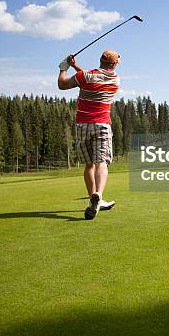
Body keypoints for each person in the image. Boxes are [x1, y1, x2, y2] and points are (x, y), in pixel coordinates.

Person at [58, 50, 120, 220]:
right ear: (114, 65)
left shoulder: (85, 76)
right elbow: (93, 78)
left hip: (82, 125)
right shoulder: (115, 79)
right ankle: (98, 195)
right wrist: (74, 66)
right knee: (102, 163)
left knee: (89, 165)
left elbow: (63, 84)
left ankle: (93, 198)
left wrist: (64, 68)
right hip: (102, 125)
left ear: (100, 60)